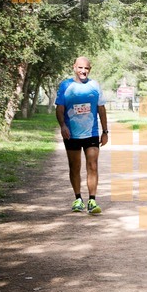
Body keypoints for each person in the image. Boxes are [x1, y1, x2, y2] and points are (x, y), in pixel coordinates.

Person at [55, 57, 108, 214]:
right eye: (80, 68)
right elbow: (59, 109)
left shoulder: (94, 86)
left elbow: (101, 109)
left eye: (86, 68)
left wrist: (105, 131)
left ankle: (92, 200)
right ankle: (78, 199)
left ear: (89, 69)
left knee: (93, 165)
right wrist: (63, 126)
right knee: (74, 166)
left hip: (91, 133)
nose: (83, 71)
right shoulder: (66, 85)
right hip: (71, 134)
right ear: (74, 68)